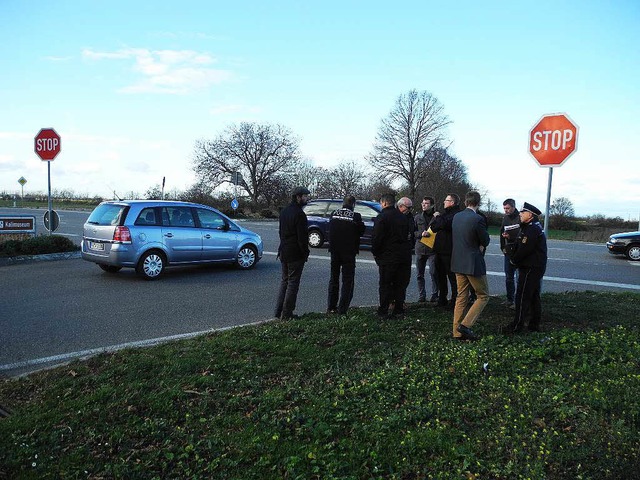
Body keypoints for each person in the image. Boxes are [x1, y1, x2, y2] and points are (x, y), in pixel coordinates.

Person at [451, 191, 491, 341]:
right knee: (483, 295)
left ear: (466, 202)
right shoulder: (478, 219)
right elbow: (485, 240)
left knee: (461, 296)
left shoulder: (457, 216)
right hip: (473, 263)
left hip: (458, 261)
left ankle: (456, 332)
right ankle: (466, 325)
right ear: (478, 202)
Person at [503, 202, 548, 333]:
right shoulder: (530, 227)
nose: (520, 214)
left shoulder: (532, 229)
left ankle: (517, 325)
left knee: (522, 296)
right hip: (534, 267)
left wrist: (513, 259)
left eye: (523, 213)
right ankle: (534, 325)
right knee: (533, 296)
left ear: (530, 215)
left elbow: (524, 249)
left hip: (530, 267)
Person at [372, 193, 412, 317]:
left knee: (385, 284)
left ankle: (383, 310)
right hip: (403, 256)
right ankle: (398, 310)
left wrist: (376, 254)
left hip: (388, 257)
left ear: (384, 203)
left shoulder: (382, 217)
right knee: (400, 285)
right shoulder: (403, 217)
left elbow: (377, 238)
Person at [274, 186, 311, 320]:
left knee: (285, 281)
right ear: (298, 197)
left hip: (284, 251)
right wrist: (305, 252)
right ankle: (287, 313)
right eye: (305, 196)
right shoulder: (299, 214)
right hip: (295, 253)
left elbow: (281, 232)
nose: (307, 198)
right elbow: (302, 237)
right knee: (293, 283)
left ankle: (279, 311)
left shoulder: (284, 212)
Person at [327, 195, 365, 314]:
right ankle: (342, 309)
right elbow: (361, 231)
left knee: (334, 279)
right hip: (349, 252)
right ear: (353, 205)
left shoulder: (334, 213)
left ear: (343, 204)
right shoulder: (355, 216)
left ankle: (331, 306)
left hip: (334, 250)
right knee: (347, 280)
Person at [430, 193, 461, 308]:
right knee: (440, 276)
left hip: (449, 251)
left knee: (452, 277)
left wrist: (438, 217)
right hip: (439, 250)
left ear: (452, 202)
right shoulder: (445, 214)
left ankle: (454, 302)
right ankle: (442, 299)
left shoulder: (456, 214)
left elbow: (445, 224)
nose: (444, 202)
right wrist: (439, 219)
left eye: (446, 200)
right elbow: (433, 227)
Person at [414, 196, 438, 303]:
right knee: (419, 274)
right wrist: (420, 234)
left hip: (432, 249)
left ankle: (434, 295)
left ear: (432, 205)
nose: (424, 205)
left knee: (433, 273)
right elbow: (413, 232)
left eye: (426, 203)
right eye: (423, 203)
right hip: (420, 248)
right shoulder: (418, 217)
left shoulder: (436, 217)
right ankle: (421, 296)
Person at [499, 199, 520, 308]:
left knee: (519, 278)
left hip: (519, 251)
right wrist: (502, 247)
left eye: (507, 208)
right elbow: (501, 232)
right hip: (508, 251)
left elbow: (522, 235)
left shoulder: (520, 217)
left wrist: (511, 236)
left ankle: (518, 300)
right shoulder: (505, 218)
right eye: (504, 208)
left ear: (513, 207)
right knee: (508, 276)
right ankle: (509, 299)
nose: (506, 211)